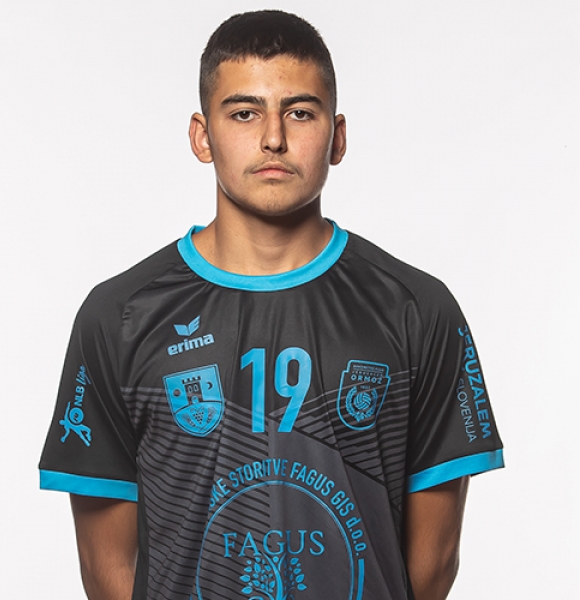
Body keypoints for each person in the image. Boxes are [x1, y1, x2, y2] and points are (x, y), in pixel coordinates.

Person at [39, 10, 504, 600]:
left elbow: (432, 566)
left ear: (337, 137)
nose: (273, 138)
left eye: (300, 112)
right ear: (202, 136)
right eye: (244, 112)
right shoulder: (119, 316)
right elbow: (105, 567)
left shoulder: (417, 309)